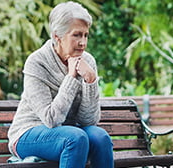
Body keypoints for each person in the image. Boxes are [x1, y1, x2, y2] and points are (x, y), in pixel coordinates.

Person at [7, 1, 113, 168]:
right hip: (28, 134)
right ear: (57, 36)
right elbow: (51, 119)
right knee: (75, 138)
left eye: (85, 35)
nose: (83, 43)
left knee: (100, 138)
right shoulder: (37, 62)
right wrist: (71, 77)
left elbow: (89, 121)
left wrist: (90, 81)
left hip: (69, 132)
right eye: (77, 35)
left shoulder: (88, 62)